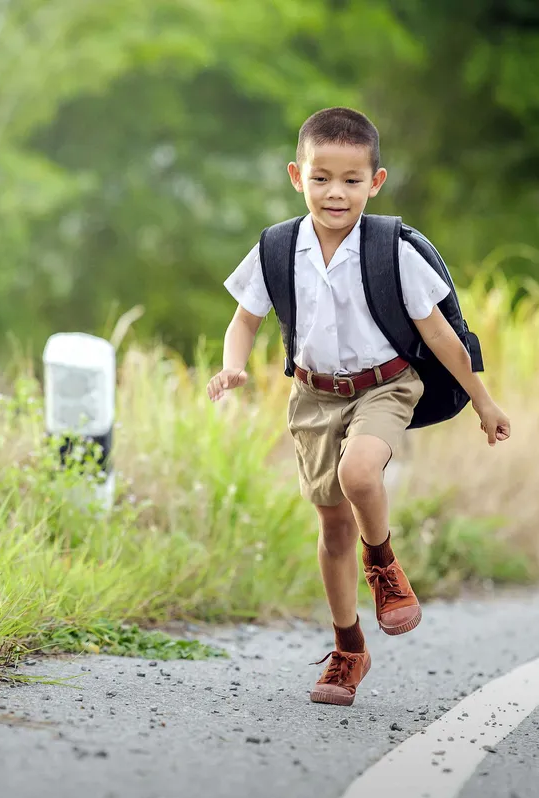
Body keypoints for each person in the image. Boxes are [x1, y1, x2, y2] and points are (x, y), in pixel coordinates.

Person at [206, 107, 511, 707]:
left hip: (386, 386)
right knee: (333, 526)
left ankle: (384, 565)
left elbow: (444, 336)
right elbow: (243, 320)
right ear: (297, 176)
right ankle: (348, 648)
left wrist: (484, 401)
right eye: (321, 178)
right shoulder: (276, 248)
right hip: (313, 396)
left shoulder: (392, 249)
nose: (335, 193)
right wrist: (233, 364)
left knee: (360, 472)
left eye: (351, 180)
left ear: (376, 182)